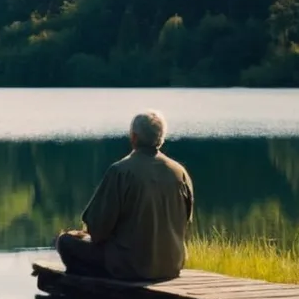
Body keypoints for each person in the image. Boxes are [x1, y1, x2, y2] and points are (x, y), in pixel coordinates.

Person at [55, 110, 194, 281]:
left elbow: (97, 230)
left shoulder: (120, 171)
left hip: (130, 266)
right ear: (161, 138)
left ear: (134, 137)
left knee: (65, 242)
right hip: (172, 265)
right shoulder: (180, 173)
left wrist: (83, 236)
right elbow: (186, 220)